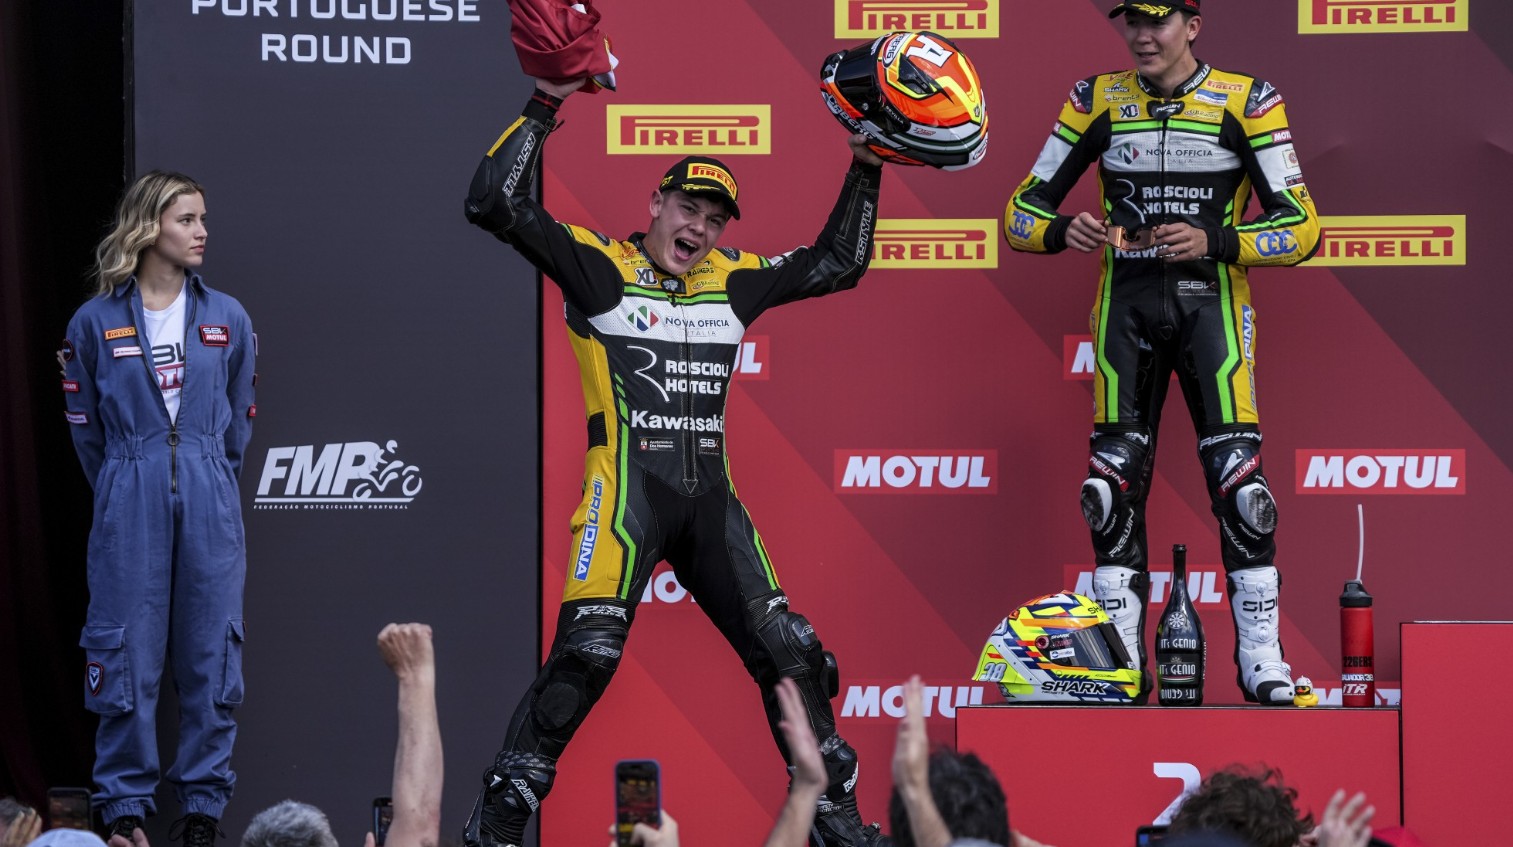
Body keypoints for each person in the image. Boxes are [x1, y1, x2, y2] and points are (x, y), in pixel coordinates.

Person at [459, 74, 886, 847]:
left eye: (715, 219)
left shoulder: (734, 280)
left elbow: (839, 262)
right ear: (656, 202)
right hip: (626, 493)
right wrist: (544, 103)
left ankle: (837, 819)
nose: (700, 228)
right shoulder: (598, 264)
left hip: (710, 506)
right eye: (689, 208)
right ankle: (497, 820)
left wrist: (865, 163)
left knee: (789, 649)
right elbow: (492, 201)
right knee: (587, 654)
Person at [1003, 0, 1320, 705]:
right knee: (1108, 490)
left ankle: (1261, 661)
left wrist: (1217, 241)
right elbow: (1019, 214)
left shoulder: (1247, 100)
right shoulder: (1095, 100)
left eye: (1158, 22)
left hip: (1214, 312)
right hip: (1126, 312)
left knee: (1243, 492)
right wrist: (1061, 229)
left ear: (1192, 26)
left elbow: (1302, 228)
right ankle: (1117, 664)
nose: (1142, 37)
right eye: (1132, 23)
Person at [62, 171, 257, 844]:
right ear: (149, 228)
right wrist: (128, 481)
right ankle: (124, 810)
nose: (202, 232)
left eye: (203, 218)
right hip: (128, 490)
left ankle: (201, 811)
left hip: (209, 491)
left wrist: (206, 480)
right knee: (125, 653)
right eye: (186, 219)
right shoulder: (93, 321)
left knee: (212, 655)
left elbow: (237, 426)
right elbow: (86, 431)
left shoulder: (229, 317)